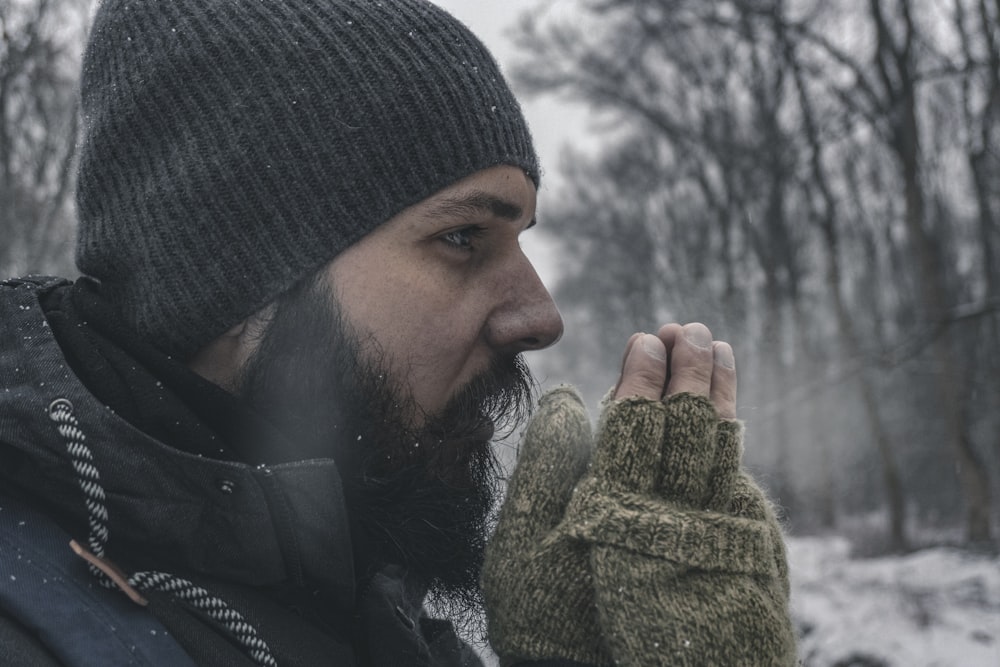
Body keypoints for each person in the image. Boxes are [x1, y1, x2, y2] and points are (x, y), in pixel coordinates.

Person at [0, 0, 798, 665]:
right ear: (240, 277)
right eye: (463, 238)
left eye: (521, 237)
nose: (540, 314)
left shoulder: (359, 586)